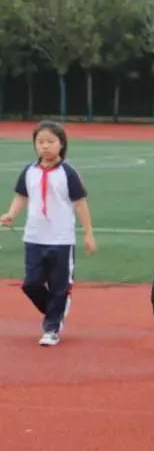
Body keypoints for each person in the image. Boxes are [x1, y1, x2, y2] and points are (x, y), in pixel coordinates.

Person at [1, 120, 97, 346]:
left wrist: (88, 234)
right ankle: (57, 309)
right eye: (40, 142)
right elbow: (22, 196)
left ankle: (52, 327)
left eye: (50, 141)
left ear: (61, 144)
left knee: (59, 284)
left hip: (61, 239)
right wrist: (11, 214)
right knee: (31, 283)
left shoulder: (68, 172)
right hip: (34, 237)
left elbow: (80, 204)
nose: (45, 146)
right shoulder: (29, 171)